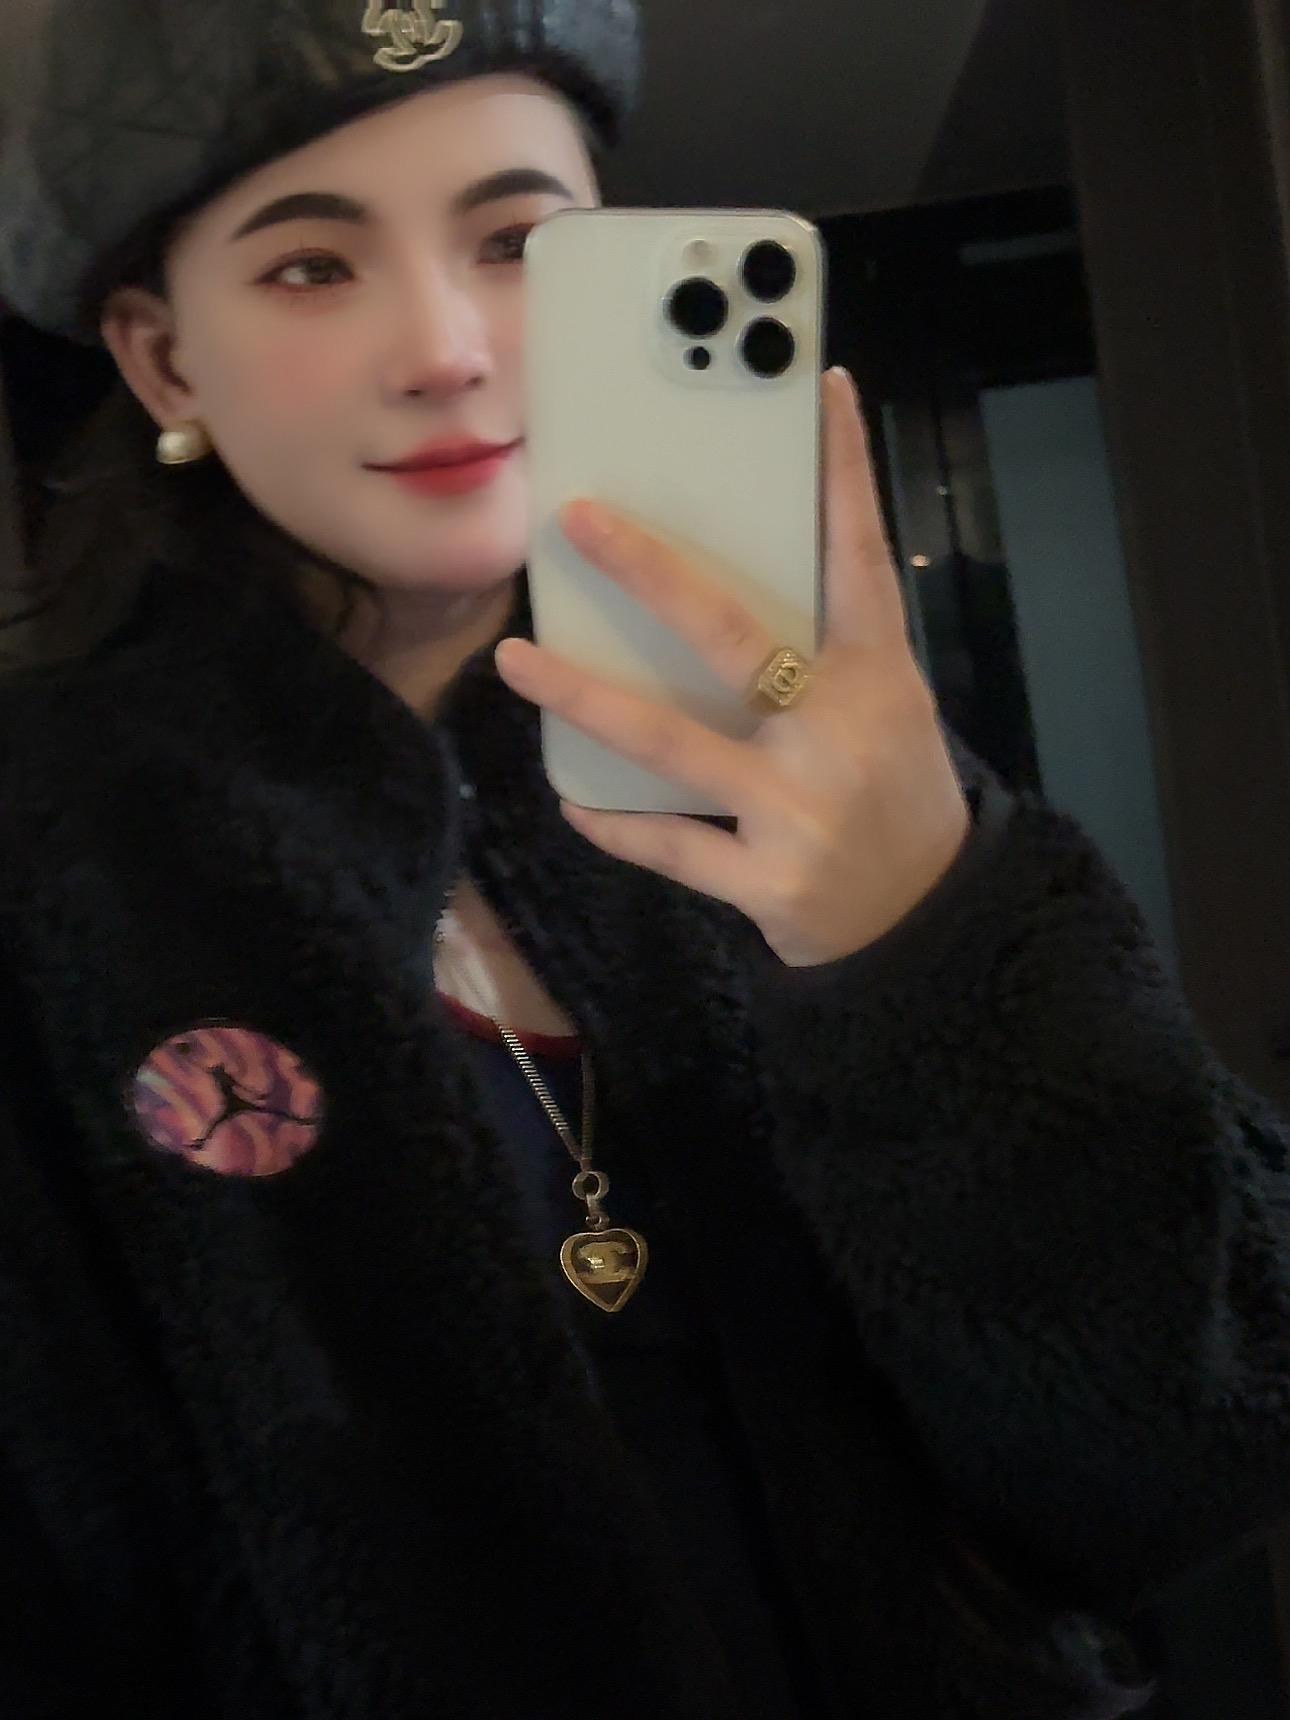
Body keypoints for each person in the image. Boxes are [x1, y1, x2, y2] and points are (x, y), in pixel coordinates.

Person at [0, 2, 1288, 1715]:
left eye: (518, 244)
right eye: (312, 267)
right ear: (165, 363)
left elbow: (1170, 1467)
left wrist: (929, 931)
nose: (446, 347)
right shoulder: (53, 859)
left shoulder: (819, 756)